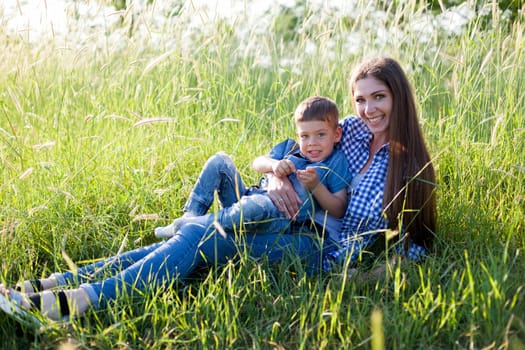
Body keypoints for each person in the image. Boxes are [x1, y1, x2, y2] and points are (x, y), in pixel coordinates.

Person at [0, 56, 437, 325]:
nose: (369, 109)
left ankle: (73, 301)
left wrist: (368, 271)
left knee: (200, 236)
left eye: (378, 97)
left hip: (318, 250)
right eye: (361, 100)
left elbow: (408, 241)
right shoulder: (352, 132)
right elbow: (300, 149)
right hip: (285, 216)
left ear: (398, 96)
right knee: (199, 238)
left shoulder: (409, 166)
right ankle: (53, 285)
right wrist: (279, 175)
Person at [154, 95, 351, 240]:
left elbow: (339, 208)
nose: (311, 143)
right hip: (247, 198)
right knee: (220, 161)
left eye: (320, 135)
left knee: (258, 204)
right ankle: (192, 215)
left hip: (276, 218)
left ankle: (189, 227)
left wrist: (316, 187)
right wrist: (274, 166)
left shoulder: (334, 162)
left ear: (337, 134)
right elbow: (257, 163)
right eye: (305, 136)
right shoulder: (290, 147)